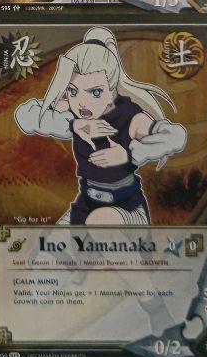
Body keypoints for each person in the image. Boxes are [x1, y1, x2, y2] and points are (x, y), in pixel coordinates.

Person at [14, 27, 186, 224]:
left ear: (111, 92)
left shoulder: (130, 117)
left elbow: (176, 136)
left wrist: (129, 155)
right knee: (47, 245)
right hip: (86, 204)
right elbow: (24, 115)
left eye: (95, 92)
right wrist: (73, 125)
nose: (82, 103)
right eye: (73, 91)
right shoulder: (75, 113)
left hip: (126, 208)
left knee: (99, 221)